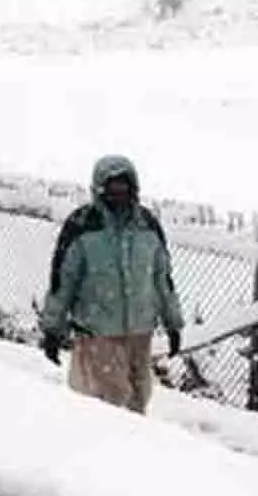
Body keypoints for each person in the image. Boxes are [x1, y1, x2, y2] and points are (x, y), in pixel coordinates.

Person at [40, 155, 184, 414]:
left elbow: (163, 279)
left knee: (139, 397)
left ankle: (133, 450)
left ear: (134, 188)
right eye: (112, 186)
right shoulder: (83, 226)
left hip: (139, 332)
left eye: (124, 186)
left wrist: (173, 323)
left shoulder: (147, 225)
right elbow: (63, 281)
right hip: (98, 332)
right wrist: (53, 327)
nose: (119, 193)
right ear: (99, 188)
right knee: (111, 400)